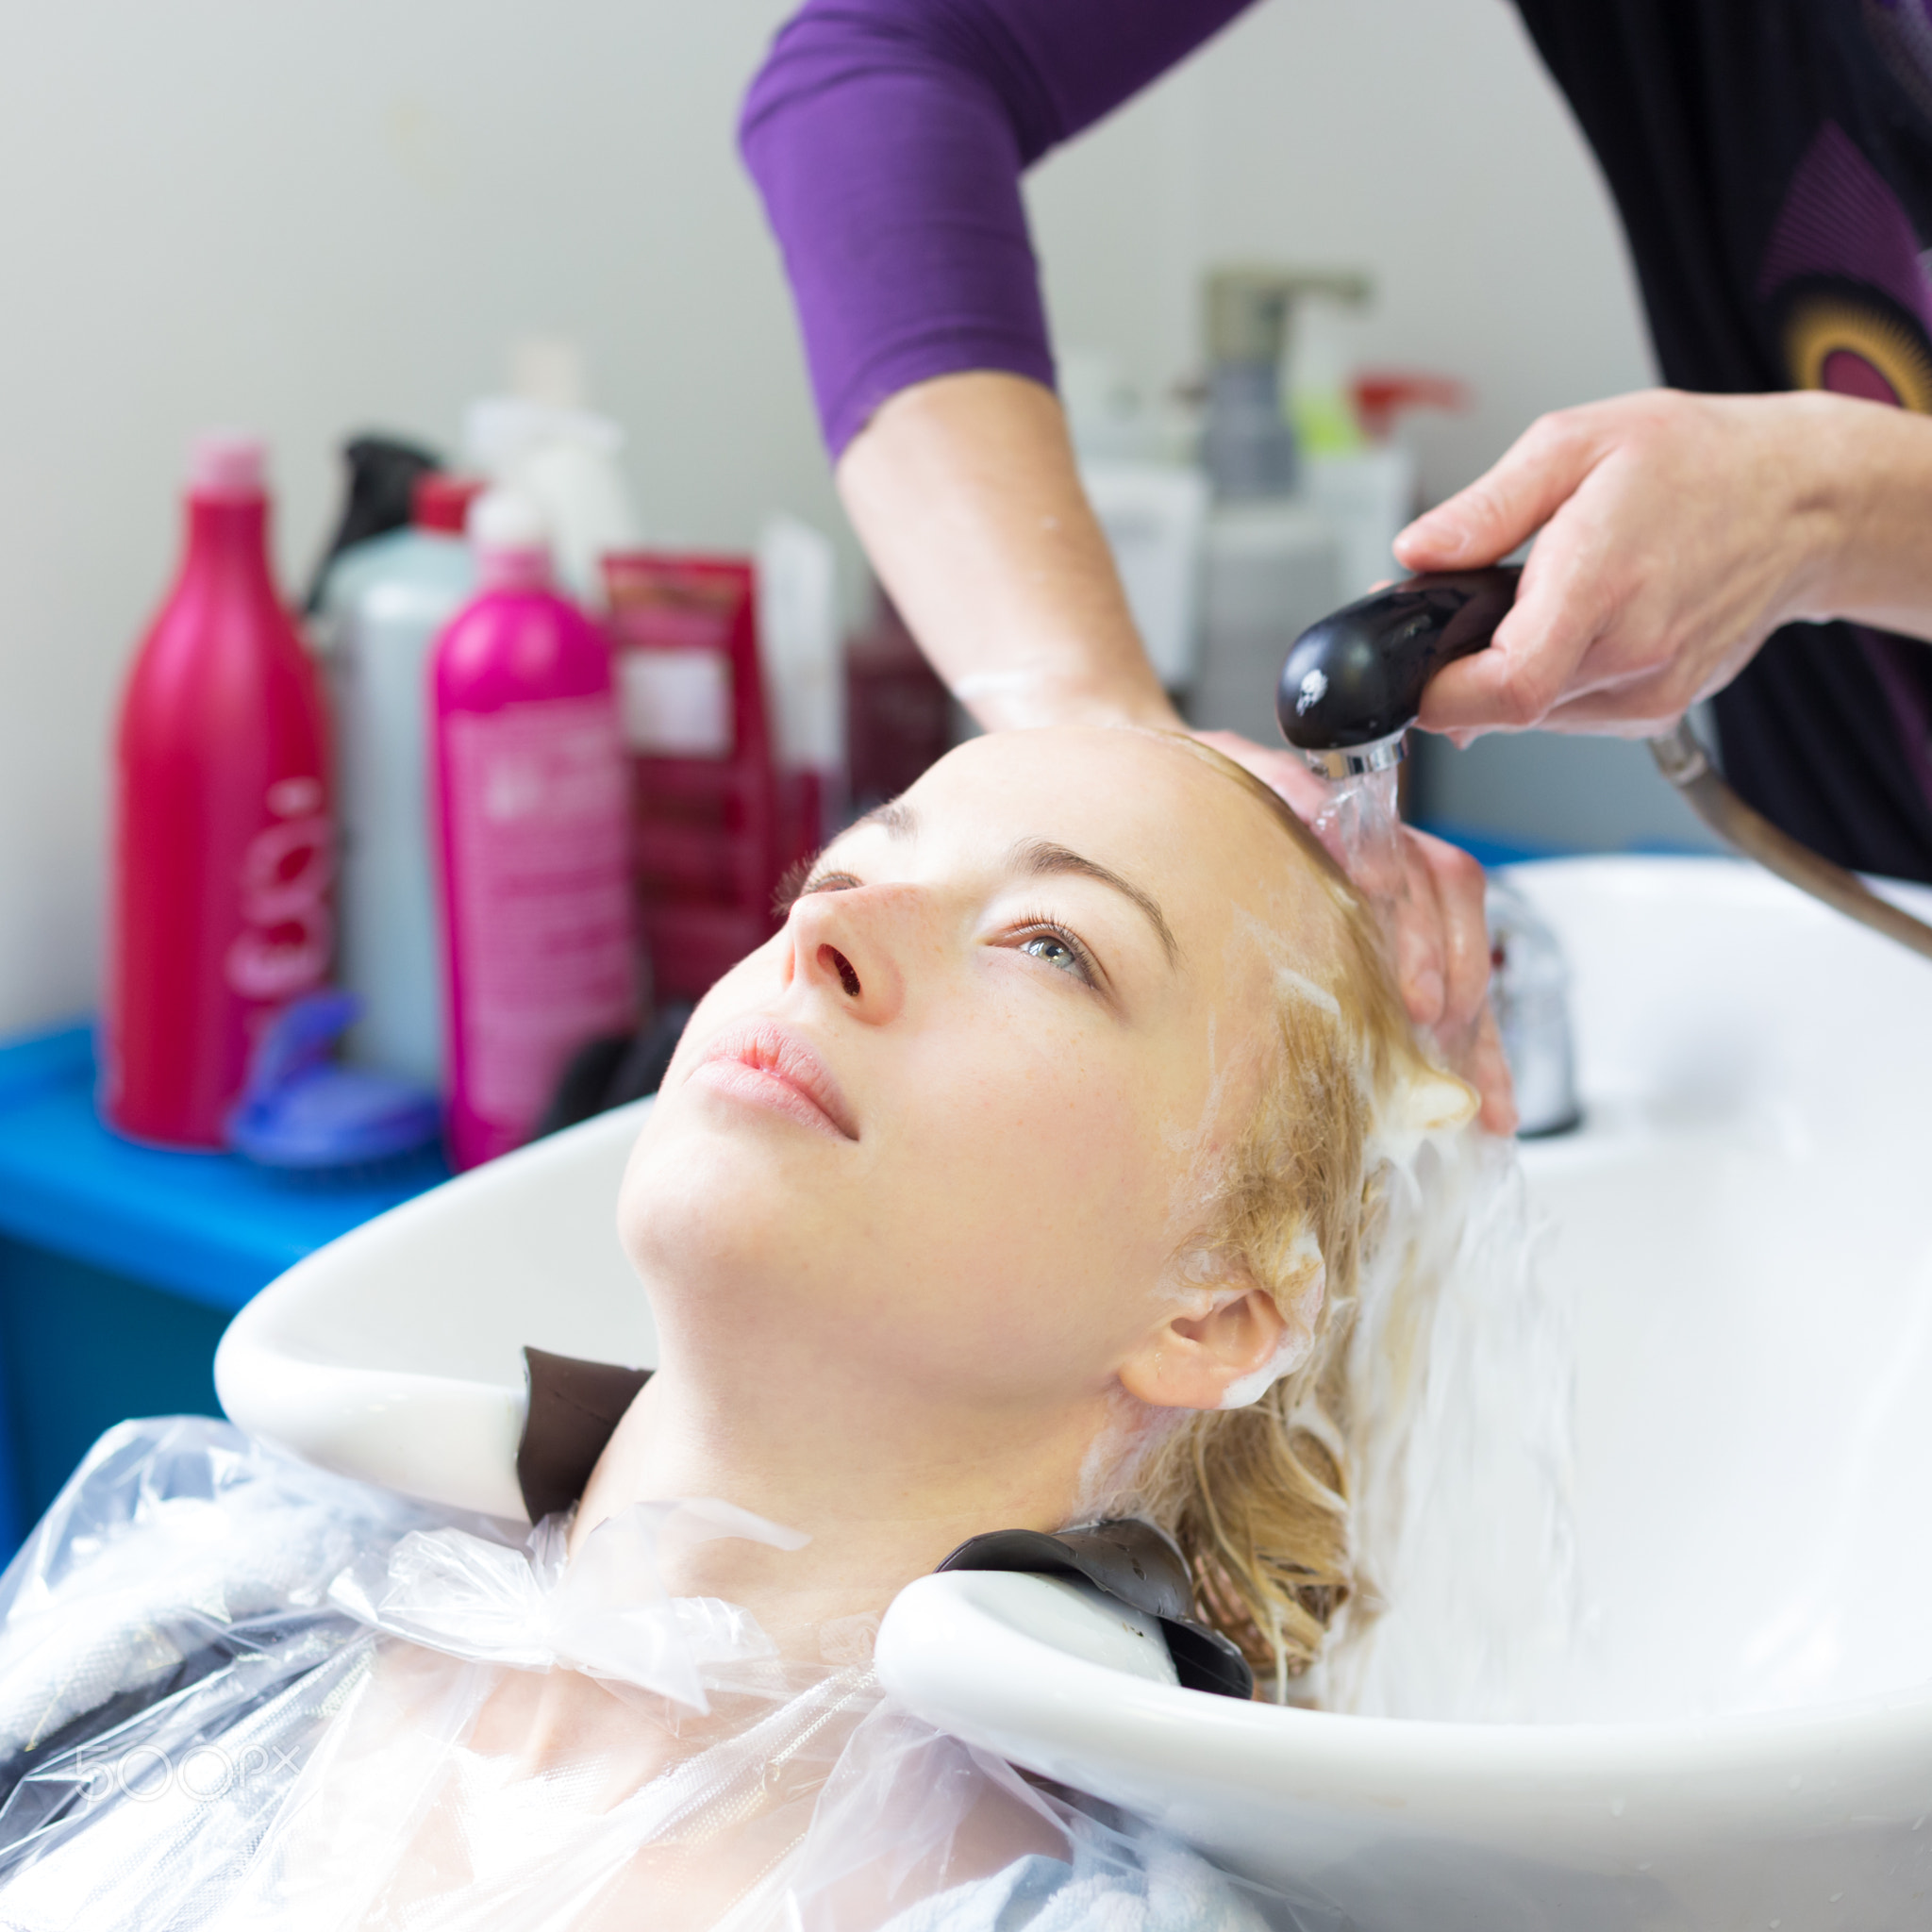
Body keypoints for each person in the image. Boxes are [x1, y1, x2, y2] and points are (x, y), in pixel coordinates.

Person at [0, 726, 1480, 1928]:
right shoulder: (196, 1615)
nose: (829, 926)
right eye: (840, 867)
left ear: (1216, 1309)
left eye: (1048, 945)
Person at [738, 0, 1932, 1035]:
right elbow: (881, 73)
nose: (822, 945)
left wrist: (1831, 510)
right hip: (1862, 947)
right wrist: (1096, 736)